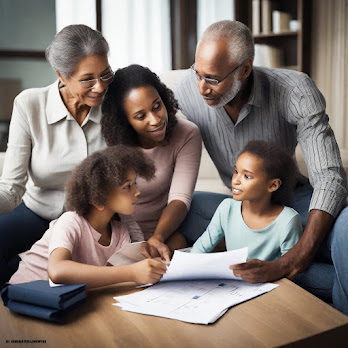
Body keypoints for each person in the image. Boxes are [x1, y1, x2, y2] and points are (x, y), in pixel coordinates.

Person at [174, 20, 348, 314]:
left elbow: (330, 178)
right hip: (243, 207)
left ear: (244, 69)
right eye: (197, 74)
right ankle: (317, 269)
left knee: (346, 228)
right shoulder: (188, 93)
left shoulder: (294, 90)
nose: (202, 88)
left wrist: (292, 261)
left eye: (213, 79)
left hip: (297, 202)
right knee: (191, 206)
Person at [0, 24, 126, 287]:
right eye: (87, 79)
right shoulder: (29, 104)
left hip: (92, 219)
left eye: (106, 74)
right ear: (61, 75)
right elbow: (11, 188)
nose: (100, 87)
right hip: (38, 212)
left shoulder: (115, 105)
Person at [9, 145, 167, 288]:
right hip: (23, 297)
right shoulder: (70, 222)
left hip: (65, 302)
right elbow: (57, 271)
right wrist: (132, 272)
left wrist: (153, 267)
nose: (137, 192)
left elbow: (110, 277)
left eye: (135, 184)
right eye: (127, 187)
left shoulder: (121, 231)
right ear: (98, 199)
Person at [101, 64, 202, 262]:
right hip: (121, 231)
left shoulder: (187, 133)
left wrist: (158, 237)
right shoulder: (110, 141)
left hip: (167, 229)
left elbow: (179, 198)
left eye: (157, 106)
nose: (155, 120)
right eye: (141, 116)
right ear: (125, 121)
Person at [191, 140, 303, 266]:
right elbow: (200, 249)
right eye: (236, 172)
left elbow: (289, 267)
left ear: (273, 185)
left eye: (247, 176)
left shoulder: (288, 221)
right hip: (233, 282)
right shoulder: (227, 208)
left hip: (271, 283)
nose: (235, 181)